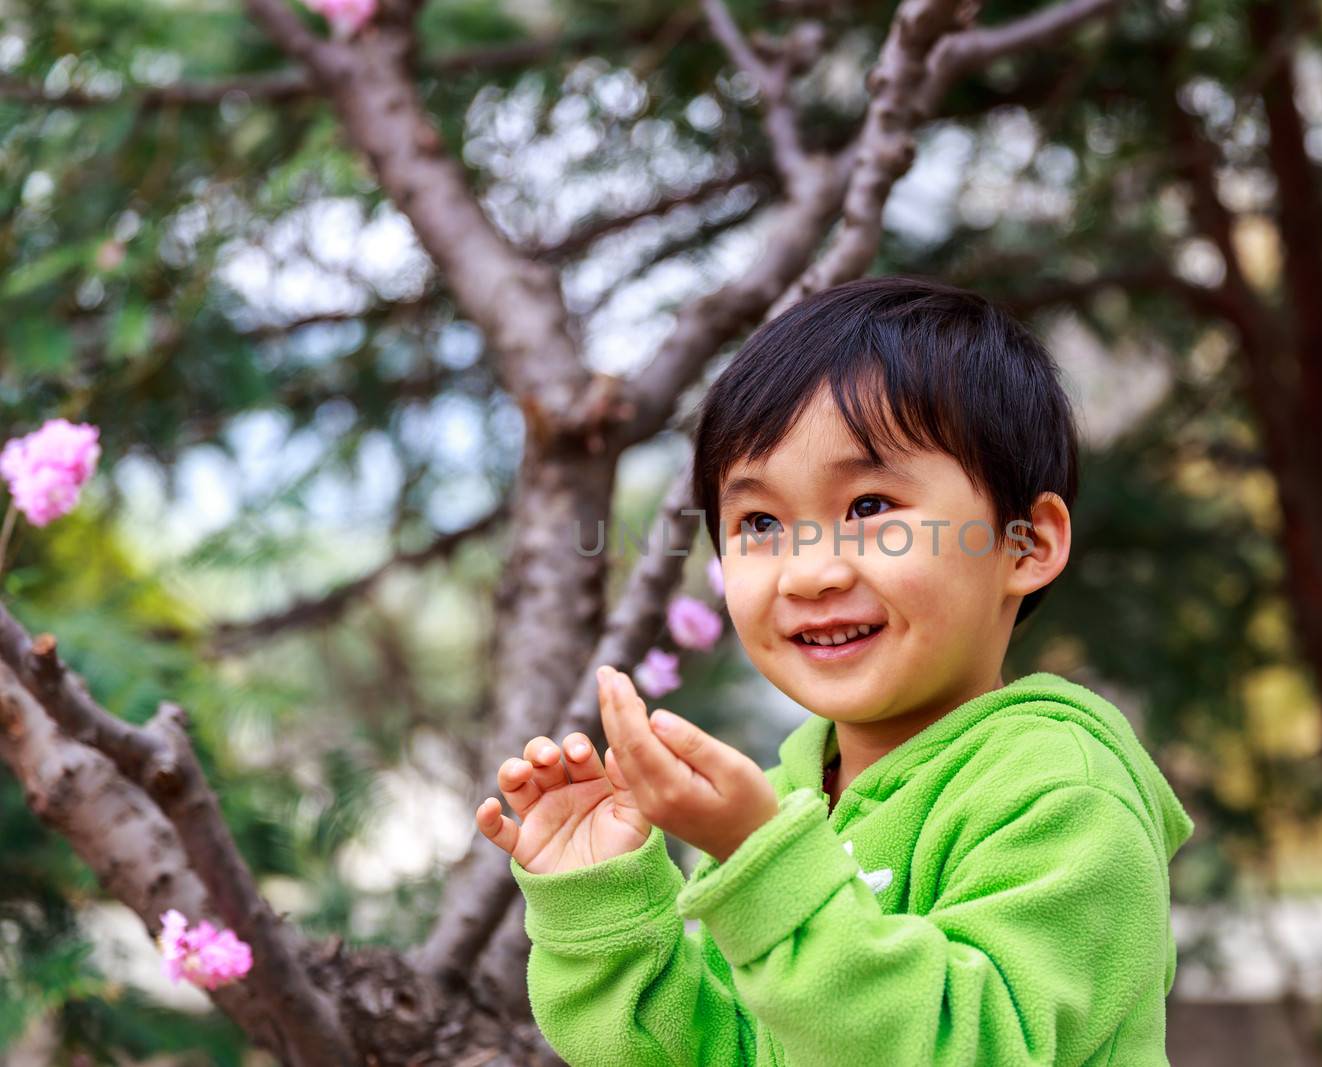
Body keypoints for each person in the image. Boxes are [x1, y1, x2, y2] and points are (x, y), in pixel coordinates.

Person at [474, 275, 1195, 1065]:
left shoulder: (1062, 793)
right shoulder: (780, 806)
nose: (809, 572)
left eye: (869, 507)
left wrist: (767, 874)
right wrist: (603, 903)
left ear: (1025, 543)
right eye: (758, 522)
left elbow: (969, 1046)